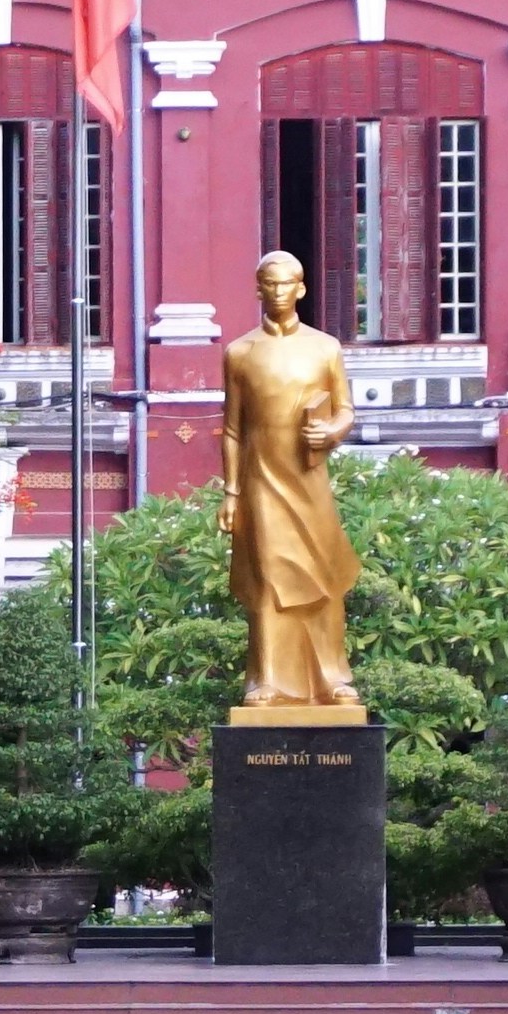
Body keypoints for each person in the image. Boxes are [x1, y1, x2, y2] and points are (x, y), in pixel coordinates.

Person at [216, 249, 362, 713]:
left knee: (324, 575)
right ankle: (267, 680)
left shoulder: (325, 348)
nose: (278, 292)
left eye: (287, 284)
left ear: (301, 289)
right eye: (269, 283)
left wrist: (333, 430)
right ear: (258, 288)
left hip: (309, 479)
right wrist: (231, 493)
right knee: (270, 577)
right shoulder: (240, 353)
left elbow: (345, 410)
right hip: (262, 481)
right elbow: (234, 430)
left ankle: (334, 677)